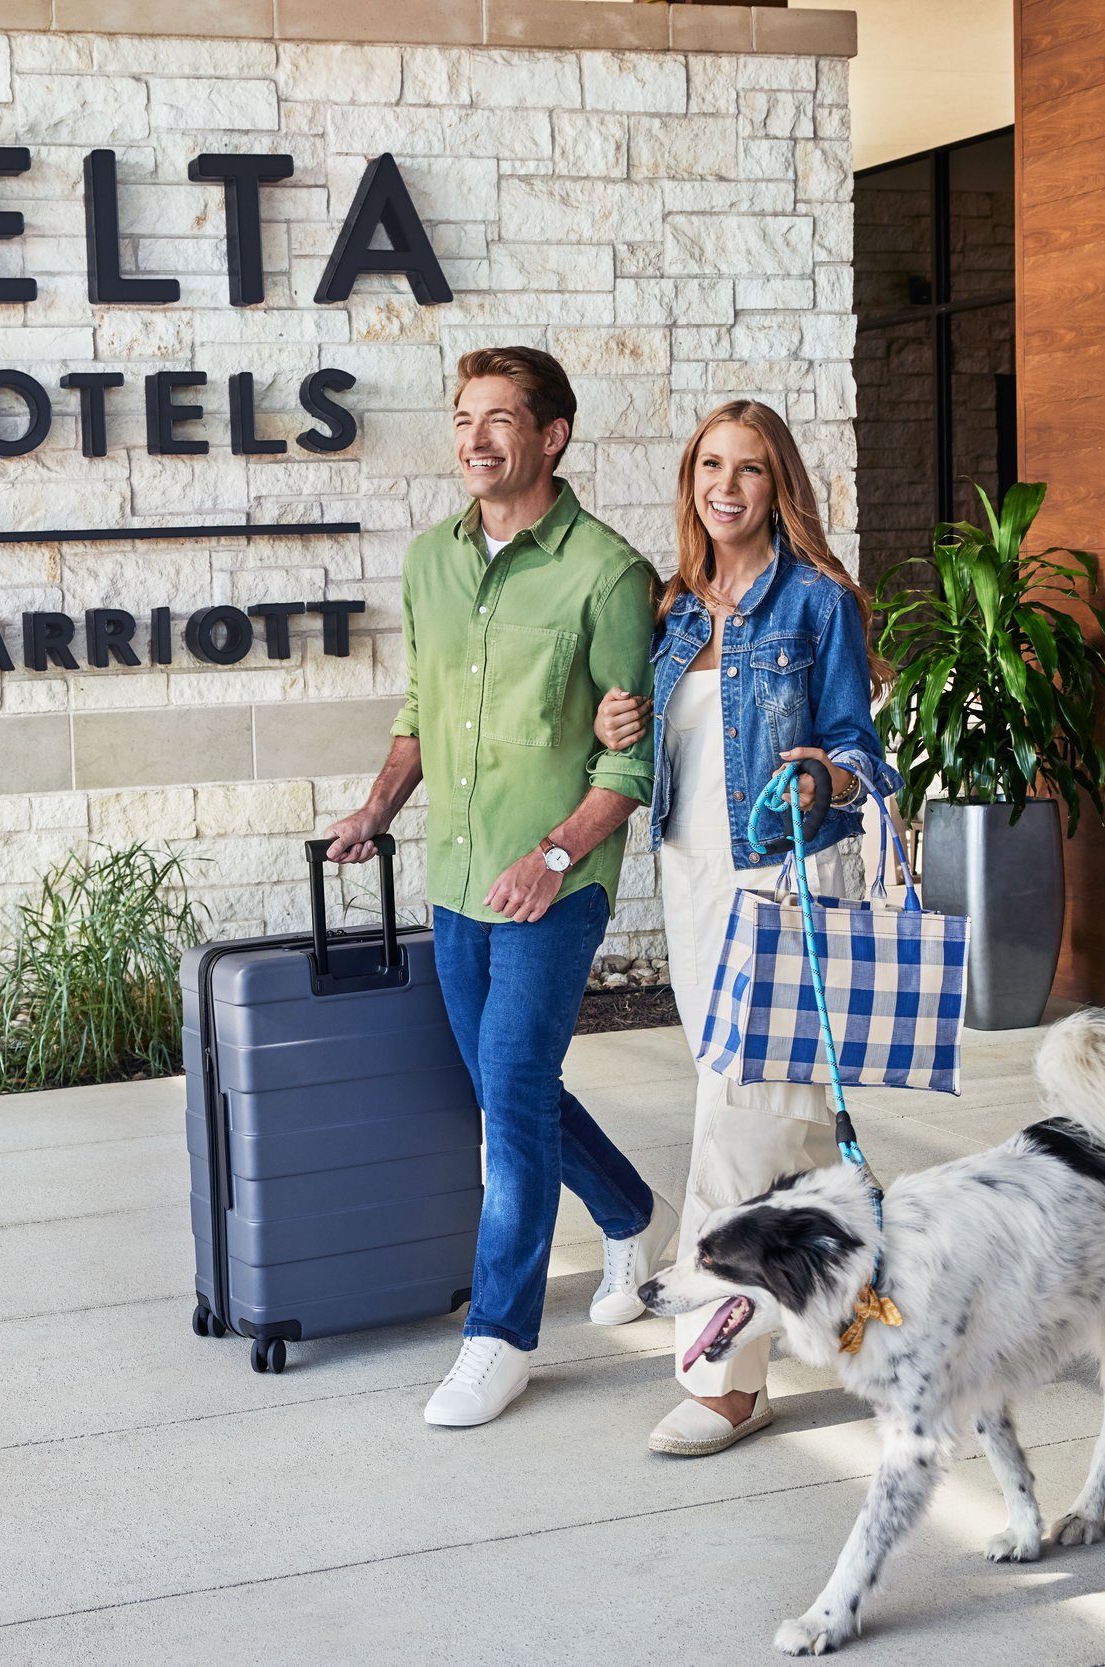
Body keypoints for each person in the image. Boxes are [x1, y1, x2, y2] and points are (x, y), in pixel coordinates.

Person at [323, 346, 673, 1429]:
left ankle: (500, 1335)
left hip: (551, 884)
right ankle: (629, 1211)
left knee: (510, 1094)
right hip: (458, 877)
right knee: (505, 1089)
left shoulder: (607, 574)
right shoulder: (430, 560)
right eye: (461, 417)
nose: (473, 438)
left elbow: (630, 759)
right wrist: (379, 805)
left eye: (498, 418)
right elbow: (419, 714)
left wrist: (556, 852)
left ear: (551, 435)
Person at [590, 399, 898, 1457]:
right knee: (786, 1123)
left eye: (750, 469)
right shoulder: (675, 612)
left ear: (780, 488)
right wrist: (615, 724)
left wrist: (823, 770)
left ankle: (722, 1375)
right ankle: (853, 1307)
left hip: (784, 884)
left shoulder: (815, 603)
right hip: (691, 885)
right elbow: (658, 748)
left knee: (742, 1117)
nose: (726, 486)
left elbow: (865, 755)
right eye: (710, 466)